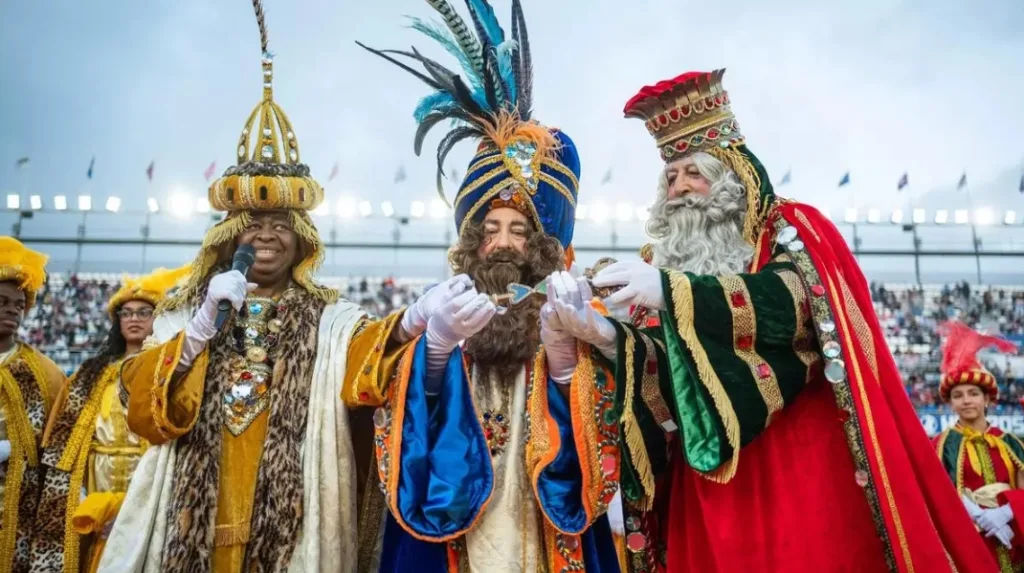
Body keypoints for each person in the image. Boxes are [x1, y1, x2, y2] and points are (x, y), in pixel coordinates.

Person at [546, 70, 996, 572]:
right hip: (706, 486)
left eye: (694, 172)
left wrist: (674, 291)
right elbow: (666, 379)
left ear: (730, 173)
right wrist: (608, 336)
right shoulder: (662, 263)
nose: (679, 188)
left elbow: (794, 309)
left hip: (800, 468)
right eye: (670, 178)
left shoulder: (790, 230)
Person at [94, 6, 466, 572]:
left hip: (295, 525)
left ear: (302, 242)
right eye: (254, 223)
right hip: (188, 523)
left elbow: (366, 373)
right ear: (229, 236)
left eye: (281, 226)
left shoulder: (332, 320)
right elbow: (144, 412)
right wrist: (197, 333)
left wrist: (413, 323)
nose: (267, 235)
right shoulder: (181, 317)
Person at [360, 1, 621, 570]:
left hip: (541, 528)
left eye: (519, 231)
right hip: (455, 530)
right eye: (491, 229)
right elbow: (394, 422)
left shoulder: (574, 313)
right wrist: (433, 354)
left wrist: (566, 368)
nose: (502, 243)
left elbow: (606, 443)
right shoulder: (444, 311)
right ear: (472, 240)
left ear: (542, 246)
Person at [27, 266, 187, 572]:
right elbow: (63, 438)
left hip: (146, 476)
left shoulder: (170, 371)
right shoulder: (90, 374)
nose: (135, 319)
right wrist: (76, 491)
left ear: (157, 318)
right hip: (95, 479)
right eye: (127, 313)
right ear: (118, 321)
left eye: (144, 312)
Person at [934, 321, 1024, 572]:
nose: (966, 401)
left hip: (1013, 534)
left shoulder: (1009, 441)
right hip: (969, 540)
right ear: (951, 403)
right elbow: (938, 494)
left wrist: (1006, 513)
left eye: (973, 393)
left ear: (986, 399)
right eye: (958, 395)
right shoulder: (940, 444)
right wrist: (977, 515)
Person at [0, 237, 66, 572]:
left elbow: (58, 443)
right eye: (2, 302)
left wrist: (14, 447)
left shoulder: (46, 373)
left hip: (21, 507)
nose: (12, 310)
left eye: (18, 304)